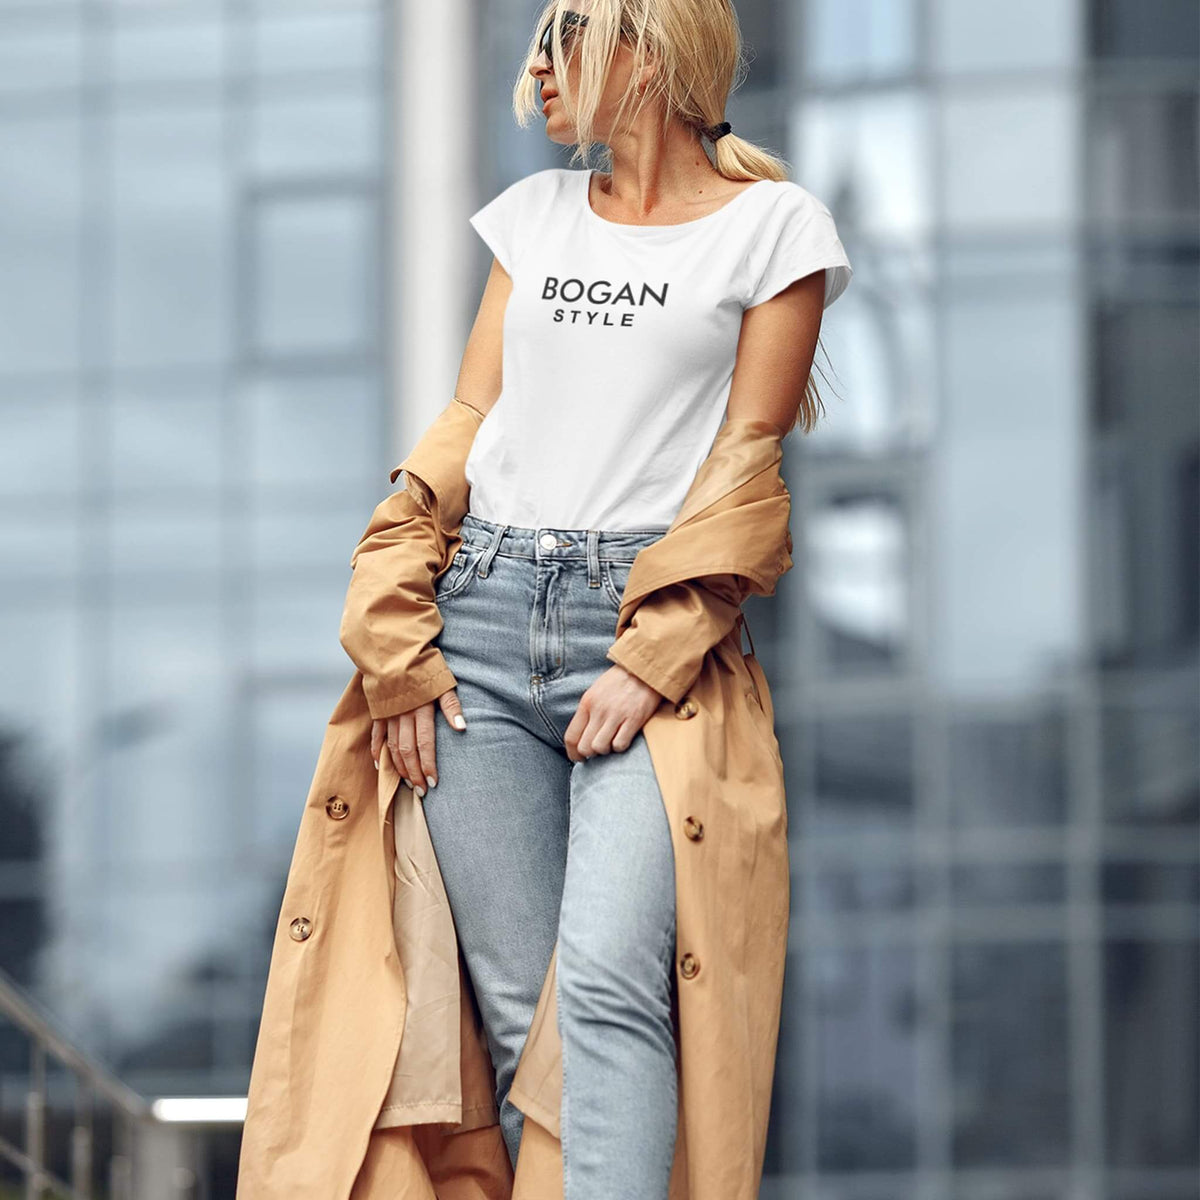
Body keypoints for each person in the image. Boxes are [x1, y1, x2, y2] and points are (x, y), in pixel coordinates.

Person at [370, 2, 851, 1195]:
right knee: (527, 1005)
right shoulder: (530, 219)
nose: (534, 70)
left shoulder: (774, 229)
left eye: (561, 42)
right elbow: (468, 426)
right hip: (478, 620)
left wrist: (656, 653)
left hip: (645, 639)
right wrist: (394, 629)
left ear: (647, 51)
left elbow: (747, 468)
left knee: (607, 981)